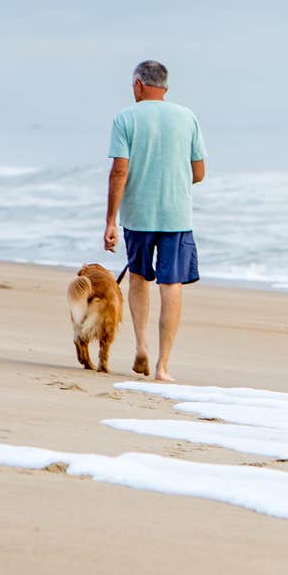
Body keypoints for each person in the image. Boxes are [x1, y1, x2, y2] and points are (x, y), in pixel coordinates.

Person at [104, 59, 206, 382]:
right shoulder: (187, 117)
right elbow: (199, 172)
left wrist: (109, 221)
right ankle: (163, 366)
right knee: (171, 285)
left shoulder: (125, 119)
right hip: (176, 215)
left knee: (138, 279)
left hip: (138, 215)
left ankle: (141, 346)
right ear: (165, 88)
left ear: (138, 85)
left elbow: (120, 171)